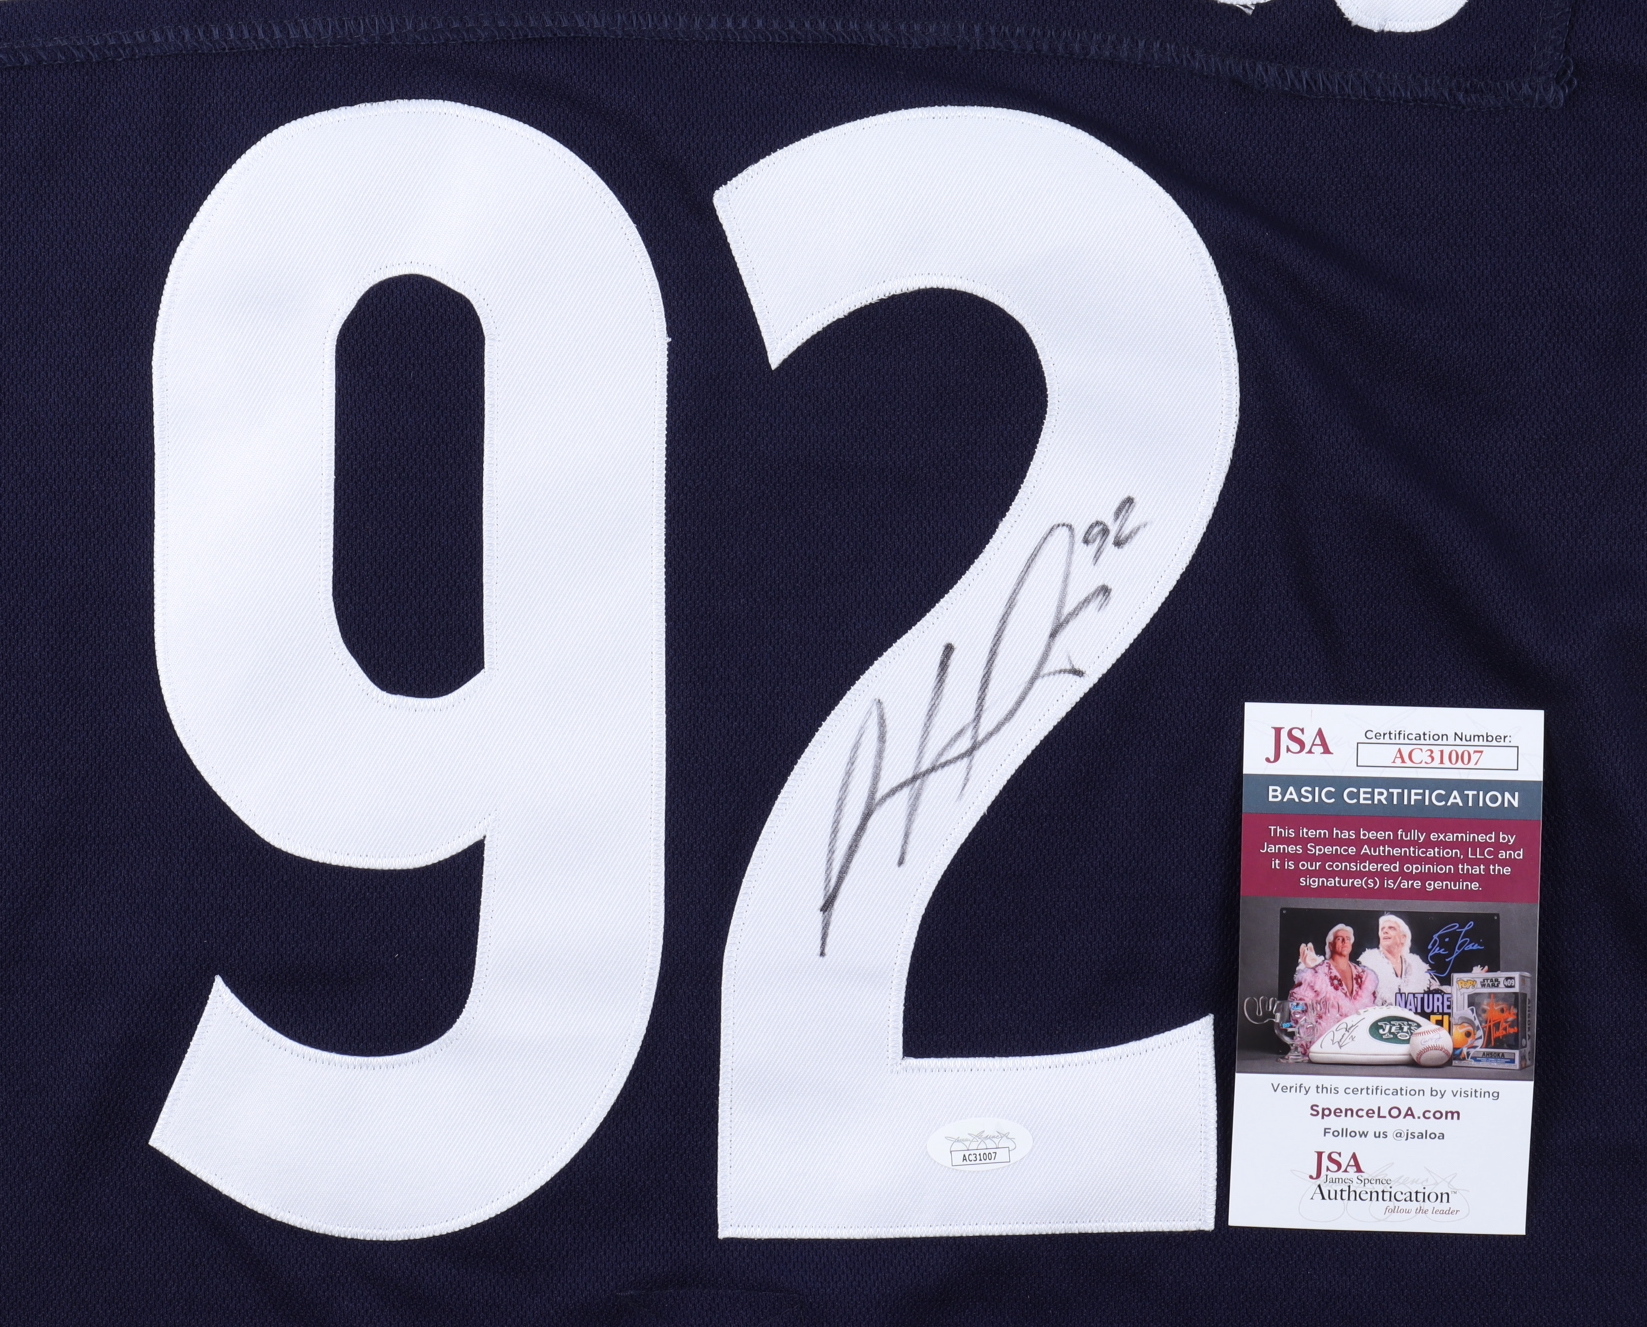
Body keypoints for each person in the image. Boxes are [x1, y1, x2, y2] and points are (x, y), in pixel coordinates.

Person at [1289, 924, 1380, 1055]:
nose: (1344, 941)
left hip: (1359, 1046)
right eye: (1339, 938)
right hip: (1326, 1044)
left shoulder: (1364, 976)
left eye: (1348, 939)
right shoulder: (1316, 974)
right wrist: (1309, 1038)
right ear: (1330, 945)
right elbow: (1298, 1007)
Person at [1358, 914, 1439, 1002]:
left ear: (1403, 938)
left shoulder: (1418, 968)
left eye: (1391, 928)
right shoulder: (1367, 966)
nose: (1385, 931)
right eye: (1382, 929)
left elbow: (1437, 993)